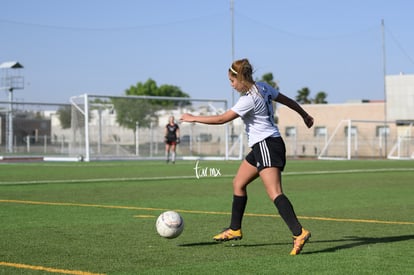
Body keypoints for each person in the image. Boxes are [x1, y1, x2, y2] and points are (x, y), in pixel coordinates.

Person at [180, 58, 314, 255]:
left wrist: (193, 118)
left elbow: (221, 119)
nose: (231, 85)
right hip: (263, 146)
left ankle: (299, 232)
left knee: (275, 192)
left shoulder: (248, 99)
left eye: (232, 81)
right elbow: (287, 100)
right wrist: (304, 114)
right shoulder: (264, 87)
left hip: (267, 144)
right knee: (238, 183)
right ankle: (235, 229)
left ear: (241, 78)